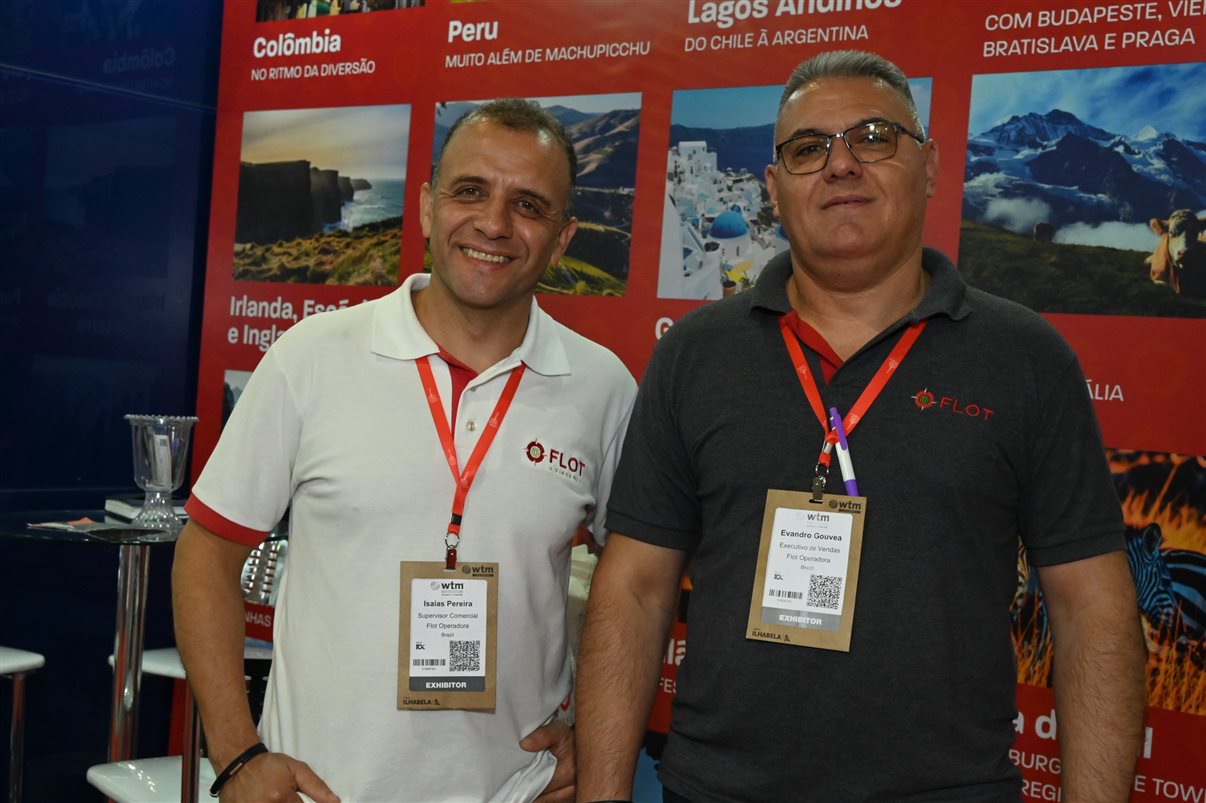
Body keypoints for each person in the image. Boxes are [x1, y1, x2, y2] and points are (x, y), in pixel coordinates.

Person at [575, 50, 1146, 803]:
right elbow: (634, 590)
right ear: (774, 188)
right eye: (809, 148)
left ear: (929, 166)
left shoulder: (1026, 359)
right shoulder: (693, 354)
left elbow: (1091, 608)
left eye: (873, 137)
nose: (840, 164)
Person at [173, 98, 636, 803]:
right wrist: (236, 755)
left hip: (517, 791)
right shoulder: (311, 358)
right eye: (470, 190)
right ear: (425, 207)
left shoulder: (603, 387)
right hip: (321, 791)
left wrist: (594, 735)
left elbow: (634, 588)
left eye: (529, 205)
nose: (494, 223)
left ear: (563, 237)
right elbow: (207, 552)